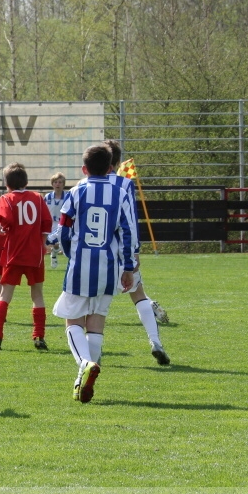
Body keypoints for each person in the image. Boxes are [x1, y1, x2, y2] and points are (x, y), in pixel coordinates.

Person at [53, 144, 139, 403]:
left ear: (83, 169)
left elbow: (64, 230)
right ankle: (83, 379)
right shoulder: (120, 192)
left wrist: (71, 253)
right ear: (111, 167)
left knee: (72, 320)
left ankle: (85, 364)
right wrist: (128, 267)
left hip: (81, 265)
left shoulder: (76, 192)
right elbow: (128, 231)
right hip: (109, 265)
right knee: (96, 321)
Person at [103, 139, 171, 365]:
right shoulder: (124, 185)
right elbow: (130, 221)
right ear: (118, 161)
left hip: (96, 252)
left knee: (94, 302)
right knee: (138, 294)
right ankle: (155, 342)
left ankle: (91, 353)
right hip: (122, 249)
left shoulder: (85, 184)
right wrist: (134, 252)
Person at [0, 163, 53, 351]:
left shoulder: (6, 199)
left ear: (7, 183)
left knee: (5, 295)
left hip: (14, 254)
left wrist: (2, 227)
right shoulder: (38, 197)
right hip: (35, 255)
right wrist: (43, 243)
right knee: (37, 295)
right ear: (26, 181)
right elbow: (46, 222)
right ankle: (39, 336)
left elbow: (1, 219)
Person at [44, 172, 66, 269]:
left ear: (63, 184)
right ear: (52, 184)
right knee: (48, 243)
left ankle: (54, 253)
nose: (58, 184)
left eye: (60, 182)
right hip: (50, 224)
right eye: (55, 182)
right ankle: (53, 253)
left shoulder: (68, 197)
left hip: (62, 224)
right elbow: (43, 210)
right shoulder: (48, 197)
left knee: (58, 244)